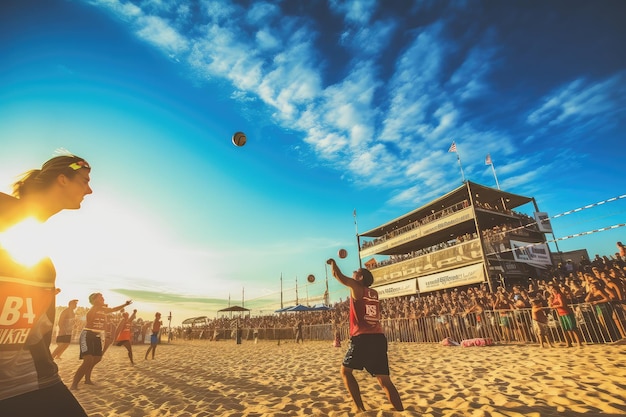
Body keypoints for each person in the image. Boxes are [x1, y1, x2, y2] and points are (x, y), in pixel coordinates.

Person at [0, 153, 92, 416]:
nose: (90, 189)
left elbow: (37, 332)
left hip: (37, 381)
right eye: (84, 180)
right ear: (62, 179)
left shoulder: (40, 261)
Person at [326, 258, 404, 412]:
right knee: (385, 380)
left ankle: (360, 409)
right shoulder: (373, 293)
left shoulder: (357, 287)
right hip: (378, 337)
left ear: (360, 278)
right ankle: (402, 411)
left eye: (357, 272)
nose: (354, 272)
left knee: (345, 372)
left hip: (362, 338)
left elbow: (337, 275)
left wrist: (333, 262)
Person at [70, 293, 132, 389]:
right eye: (100, 297)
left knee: (97, 358)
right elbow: (97, 313)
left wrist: (125, 304)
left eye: (102, 297)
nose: (103, 298)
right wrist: (98, 305)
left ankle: (87, 379)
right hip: (87, 335)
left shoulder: (103, 309)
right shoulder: (94, 308)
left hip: (97, 335)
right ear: (95, 300)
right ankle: (74, 384)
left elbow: (112, 310)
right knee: (88, 360)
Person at [548, 283, 583, 347]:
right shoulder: (554, 297)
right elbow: (550, 305)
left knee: (572, 328)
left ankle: (579, 343)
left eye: (554, 290)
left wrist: (554, 306)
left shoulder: (559, 295)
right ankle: (569, 343)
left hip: (566, 312)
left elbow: (562, 304)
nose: (553, 291)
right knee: (566, 329)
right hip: (561, 313)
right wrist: (550, 300)